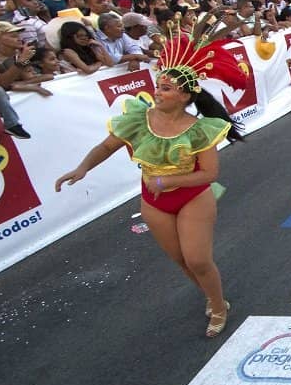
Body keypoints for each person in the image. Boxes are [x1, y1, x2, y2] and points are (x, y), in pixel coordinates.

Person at [55, 36, 247, 338]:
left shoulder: (199, 129)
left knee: (198, 259)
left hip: (192, 197)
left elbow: (209, 174)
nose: (157, 92)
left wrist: (167, 180)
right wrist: (82, 168)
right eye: (158, 86)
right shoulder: (138, 118)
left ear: (184, 96)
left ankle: (219, 308)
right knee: (181, 260)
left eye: (166, 88)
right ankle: (213, 298)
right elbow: (106, 147)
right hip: (154, 201)